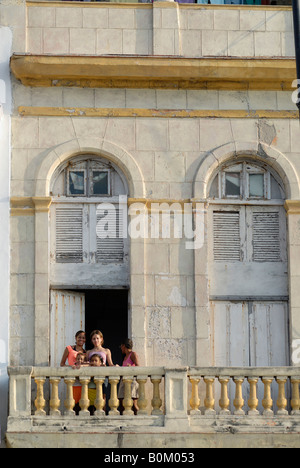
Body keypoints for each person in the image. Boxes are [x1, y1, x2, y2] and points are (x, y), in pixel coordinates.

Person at [118, 338, 140, 415]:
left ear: (124, 346)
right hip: (124, 380)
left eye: (121, 346)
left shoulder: (132, 354)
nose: (121, 348)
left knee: (133, 403)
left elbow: (138, 366)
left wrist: (131, 367)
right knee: (121, 401)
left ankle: (138, 419)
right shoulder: (125, 357)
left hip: (131, 380)